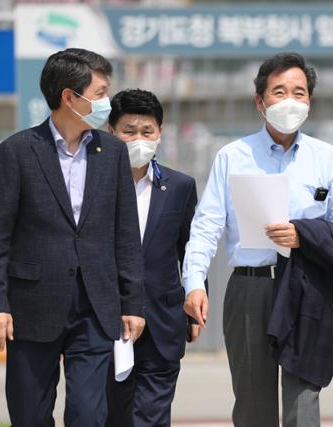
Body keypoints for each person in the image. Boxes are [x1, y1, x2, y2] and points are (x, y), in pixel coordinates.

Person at [182, 52, 333, 427]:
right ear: (260, 102)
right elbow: (207, 224)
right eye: (280, 91)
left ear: (310, 101)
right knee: (252, 403)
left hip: (308, 287)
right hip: (251, 287)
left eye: (300, 92)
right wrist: (195, 283)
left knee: (303, 401)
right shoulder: (233, 156)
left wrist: (304, 237)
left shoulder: (327, 158)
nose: (291, 101)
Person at [0, 48, 145, 427]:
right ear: (70, 97)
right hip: (30, 307)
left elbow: (126, 233)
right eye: (100, 93)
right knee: (29, 416)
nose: (107, 102)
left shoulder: (114, 153)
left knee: (89, 415)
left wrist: (132, 301)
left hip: (95, 306)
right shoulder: (17, 151)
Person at [105, 89, 198, 427]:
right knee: (108, 415)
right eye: (130, 131)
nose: (139, 139)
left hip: (161, 322)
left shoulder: (179, 186)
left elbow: (189, 249)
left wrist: (193, 300)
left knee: (151, 417)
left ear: (160, 133)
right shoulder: (92, 186)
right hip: (104, 323)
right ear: (111, 132)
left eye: (148, 131)